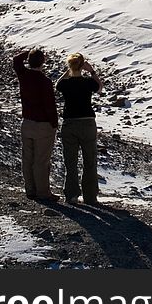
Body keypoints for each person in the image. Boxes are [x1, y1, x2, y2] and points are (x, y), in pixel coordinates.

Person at [12, 48, 60, 202]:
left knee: (28, 158)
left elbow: (16, 61)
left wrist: (27, 53)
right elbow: (49, 106)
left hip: (27, 123)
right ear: (43, 62)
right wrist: (54, 123)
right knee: (41, 160)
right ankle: (43, 192)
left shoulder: (24, 75)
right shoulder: (45, 82)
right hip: (43, 125)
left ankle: (30, 190)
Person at [56, 53, 103, 205]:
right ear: (82, 66)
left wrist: (68, 71)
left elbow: (57, 84)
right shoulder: (88, 82)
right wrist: (92, 71)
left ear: (70, 66)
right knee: (90, 160)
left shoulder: (66, 84)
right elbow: (100, 88)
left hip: (69, 123)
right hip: (87, 123)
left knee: (70, 161)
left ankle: (72, 195)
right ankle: (90, 196)